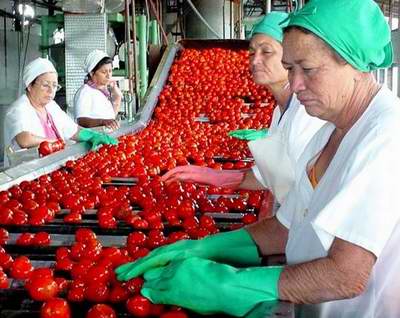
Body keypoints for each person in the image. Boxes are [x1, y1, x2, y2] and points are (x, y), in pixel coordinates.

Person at [115, 1, 400, 317]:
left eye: (308, 69)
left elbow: (347, 275)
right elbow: (288, 226)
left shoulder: (385, 136)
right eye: (291, 69)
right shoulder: (329, 132)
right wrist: (205, 247)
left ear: (354, 63)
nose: (295, 84)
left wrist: (231, 284)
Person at [160, 12, 325, 216]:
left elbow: (302, 187)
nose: (255, 61)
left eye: (267, 52)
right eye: (251, 52)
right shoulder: (280, 110)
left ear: (290, 56)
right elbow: (270, 177)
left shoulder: (305, 113)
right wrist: (210, 175)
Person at [4, 57, 118, 167]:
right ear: (29, 86)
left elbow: (73, 130)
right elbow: (25, 139)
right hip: (26, 173)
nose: (51, 91)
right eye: (45, 85)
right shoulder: (18, 109)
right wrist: (57, 142)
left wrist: (92, 135)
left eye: (54, 86)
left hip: (50, 167)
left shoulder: (51, 106)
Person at [73, 50, 122, 130]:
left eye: (110, 71)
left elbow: (111, 118)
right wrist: (102, 122)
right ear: (92, 73)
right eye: (104, 72)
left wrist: (117, 97)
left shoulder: (103, 92)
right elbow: (81, 121)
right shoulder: (85, 92)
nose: (108, 75)